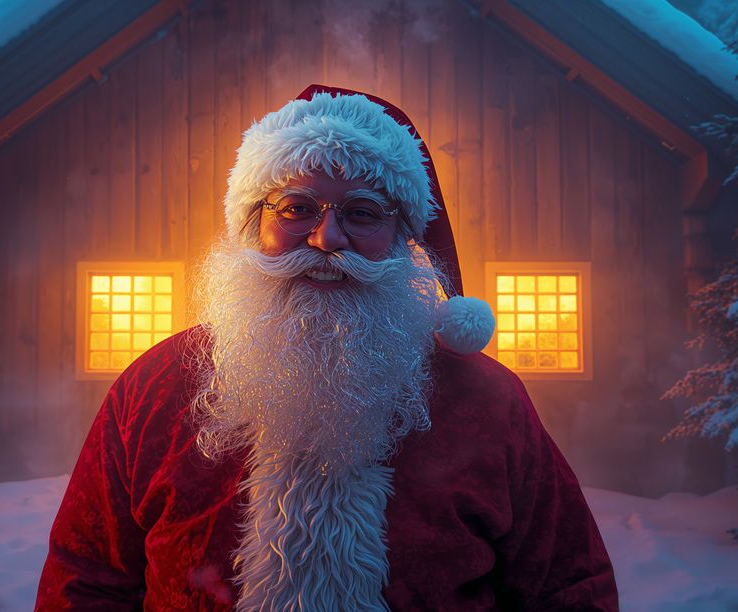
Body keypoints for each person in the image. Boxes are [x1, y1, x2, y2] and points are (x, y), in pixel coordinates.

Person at [36, 84, 618, 611]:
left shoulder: (485, 400)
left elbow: (570, 590)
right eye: (296, 208)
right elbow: (84, 584)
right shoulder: (154, 389)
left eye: (362, 212)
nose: (326, 238)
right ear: (253, 224)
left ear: (401, 236)